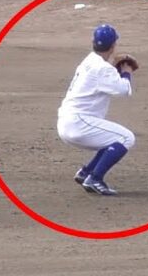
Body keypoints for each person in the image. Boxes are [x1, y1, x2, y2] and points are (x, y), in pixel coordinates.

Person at [56, 24, 137, 197]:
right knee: (126, 138)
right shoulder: (103, 68)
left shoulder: (89, 61)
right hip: (79, 123)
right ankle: (95, 178)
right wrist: (126, 71)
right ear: (113, 45)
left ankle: (86, 172)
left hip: (68, 121)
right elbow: (124, 90)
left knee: (111, 138)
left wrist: (114, 67)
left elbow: (102, 80)